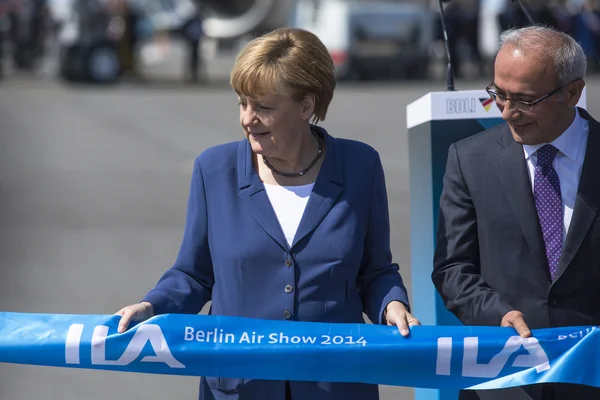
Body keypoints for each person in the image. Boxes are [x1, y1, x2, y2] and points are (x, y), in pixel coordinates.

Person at [116, 27, 420, 400]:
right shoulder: (213, 170)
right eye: (243, 104)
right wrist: (152, 305)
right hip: (239, 387)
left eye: (263, 107)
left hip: (335, 386)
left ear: (307, 106)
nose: (247, 119)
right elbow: (193, 275)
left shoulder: (361, 166)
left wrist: (392, 304)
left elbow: (375, 271)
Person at [432, 25, 600, 400]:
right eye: (498, 95)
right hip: (505, 381)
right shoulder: (469, 159)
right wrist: (497, 315)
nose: (507, 113)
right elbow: (452, 269)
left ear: (573, 92)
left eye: (524, 100)